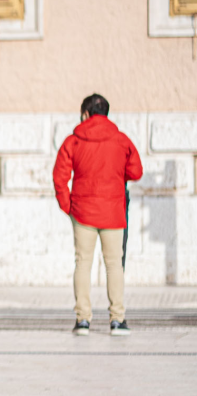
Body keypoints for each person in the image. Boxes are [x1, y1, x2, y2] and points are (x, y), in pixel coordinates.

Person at [52, 94, 142, 336]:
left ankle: (83, 320)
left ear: (85, 113)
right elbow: (136, 171)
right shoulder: (121, 140)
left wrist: (68, 206)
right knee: (114, 265)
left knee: (83, 263)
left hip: (82, 212)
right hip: (113, 212)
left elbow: (59, 176)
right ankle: (117, 320)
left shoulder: (73, 141)